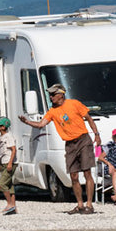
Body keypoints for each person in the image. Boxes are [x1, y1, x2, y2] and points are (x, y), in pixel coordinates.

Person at [19, 83, 102, 214]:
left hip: (83, 140)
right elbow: (41, 124)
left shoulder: (74, 104)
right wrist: (27, 122)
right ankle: (80, 205)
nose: (50, 97)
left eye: (52, 95)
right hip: (69, 144)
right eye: (50, 95)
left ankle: (89, 205)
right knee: (74, 175)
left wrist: (96, 135)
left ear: (60, 95)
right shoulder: (52, 112)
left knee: (87, 172)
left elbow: (89, 119)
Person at [0, 116, 17, 215]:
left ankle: (9, 204)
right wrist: (0, 164)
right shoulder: (1, 137)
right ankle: (13, 207)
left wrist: (10, 163)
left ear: (3, 127)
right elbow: (1, 152)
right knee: (9, 185)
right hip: (4, 162)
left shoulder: (8, 136)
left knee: (2, 184)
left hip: (9, 162)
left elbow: (13, 149)